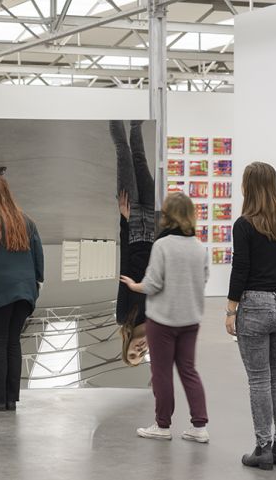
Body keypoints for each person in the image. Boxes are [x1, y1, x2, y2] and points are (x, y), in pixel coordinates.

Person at [121, 192, 209, 443]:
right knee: (189, 371)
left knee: (162, 373)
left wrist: (134, 285)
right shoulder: (199, 247)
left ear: (168, 216)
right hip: (190, 319)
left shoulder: (162, 246)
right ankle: (199, 426)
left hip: (162, 321)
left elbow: (153, 283)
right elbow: (203, 280)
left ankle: (162, 426)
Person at [225, 162, 276, 470]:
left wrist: (231, 309)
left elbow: (240, 269)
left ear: (248, 186)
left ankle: (263, 449)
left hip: (254, 306)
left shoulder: (244, 224)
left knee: (259, 379)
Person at [0, 175, 44, 412]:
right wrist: (37, 283)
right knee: (13, 342)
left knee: (0, 341)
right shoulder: (26, 221)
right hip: (26, 291)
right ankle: (11, 399)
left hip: (0, 290)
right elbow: (38, 255)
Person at [110, 120, 154, 366]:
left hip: (135, 229)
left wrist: (125, 220)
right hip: (154, 226)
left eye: (133, 354)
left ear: (126, 346)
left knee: (123, 152)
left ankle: (112, 110)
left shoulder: (123, 316)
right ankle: (136, 123)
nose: (140, 351)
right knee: (140, 159)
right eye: (142, 355)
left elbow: (124, 268)